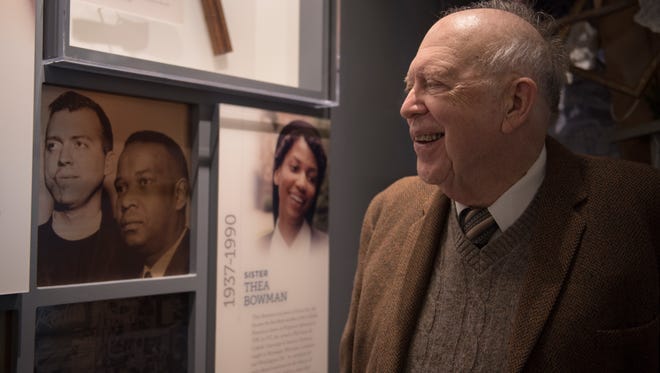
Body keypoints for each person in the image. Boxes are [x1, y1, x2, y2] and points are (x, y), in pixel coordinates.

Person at [340, 1, 660, 372]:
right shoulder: (388, 210)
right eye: (411, 85)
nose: (407, 106)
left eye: (436, 82)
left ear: (515, 103)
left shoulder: (640, 208)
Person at [37, 90, 127, 285]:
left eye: (79, 144)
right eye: (53, 145)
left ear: (108, 163)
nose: (63, 158)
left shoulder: (132, 253)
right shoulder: (25, 249)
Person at [114, 130, 190, 278]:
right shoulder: (115, 271)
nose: (125, 201)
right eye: (121, 188)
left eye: (144, 182)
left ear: (179, 194)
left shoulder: (205, 265)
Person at [261, 120, 328, 251]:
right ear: (277, 173)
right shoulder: (257, 248)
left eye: (312, 178)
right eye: (294, 168)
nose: (302, 184)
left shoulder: (326, 248)